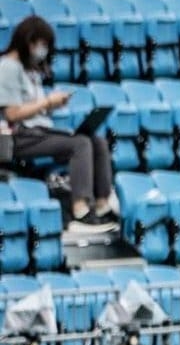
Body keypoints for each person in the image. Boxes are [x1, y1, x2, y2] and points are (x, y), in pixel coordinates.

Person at [0, 15, 119, 233]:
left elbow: (32, 107)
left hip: (39, 132)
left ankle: (102, 205)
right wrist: (47, 101)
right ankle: (80, 212)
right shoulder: (8, 67)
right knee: (80, 144)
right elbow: (12, 113)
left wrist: (52, 105)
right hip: (19, 136)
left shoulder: (30, 70)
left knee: (98, 142)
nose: (43, 50)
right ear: (28, 41)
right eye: (41, 44)